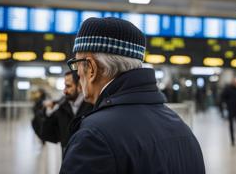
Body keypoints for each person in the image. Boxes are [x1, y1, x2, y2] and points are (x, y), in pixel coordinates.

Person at [61, 17, 205, 174]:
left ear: (91, 68)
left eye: (77, 64)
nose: (78, 73)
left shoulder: (93, 138)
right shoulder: (183, 130)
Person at [40, 71, 93, 153]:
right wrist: (48, 113)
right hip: (67, 157)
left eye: (68, 86)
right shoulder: (61, 106)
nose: (65, 91)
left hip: (88, 156)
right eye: (64, 86)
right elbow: (48, 135)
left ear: (79, 86)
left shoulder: (93, 106)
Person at [221, 77, 236, 147]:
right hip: (231, 109)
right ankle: (232, 141)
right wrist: (227, 103)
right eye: (235, 82)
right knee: (231, 126)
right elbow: (223, 97)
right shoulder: (228, 89)